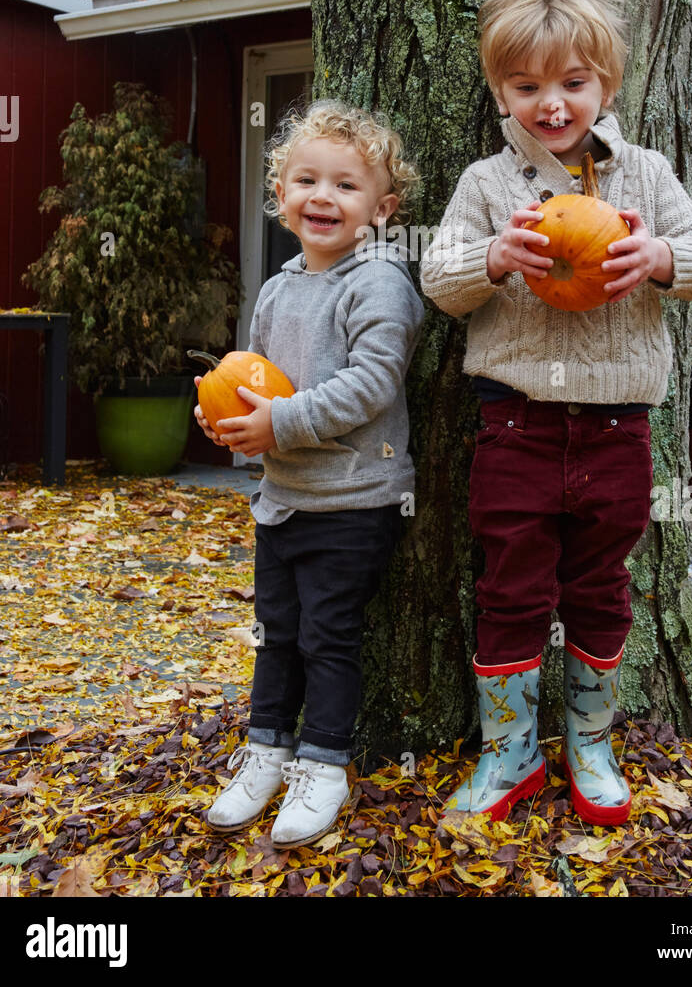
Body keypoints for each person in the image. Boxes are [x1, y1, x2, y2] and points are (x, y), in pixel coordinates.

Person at [420, 0, 692, 827]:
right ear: (501, 93)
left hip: (618, 428)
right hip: (514, 425)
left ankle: (591, 746)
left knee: (601, 587)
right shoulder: (489, 185)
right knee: (510, 590)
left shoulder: (647, 175)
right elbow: (436, 280)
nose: (551, 104)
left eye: (571, 84)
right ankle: (510, 755)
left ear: (607, 85)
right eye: (527, 88)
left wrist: (659, 259)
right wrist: (491, 259)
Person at [197, 99, 425, 847]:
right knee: (276, 633)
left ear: (383, 208)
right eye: (305, 180)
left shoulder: (381, 282)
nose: (322, 197)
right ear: (281, 195)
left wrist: (278, 424)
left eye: (346, 186)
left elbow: (371, 384)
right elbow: (253, 379)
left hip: (355, 500)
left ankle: (323, 763)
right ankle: (266, 751)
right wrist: (229, 422)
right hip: (283, 498)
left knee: (330, 636)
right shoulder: (277, 287)